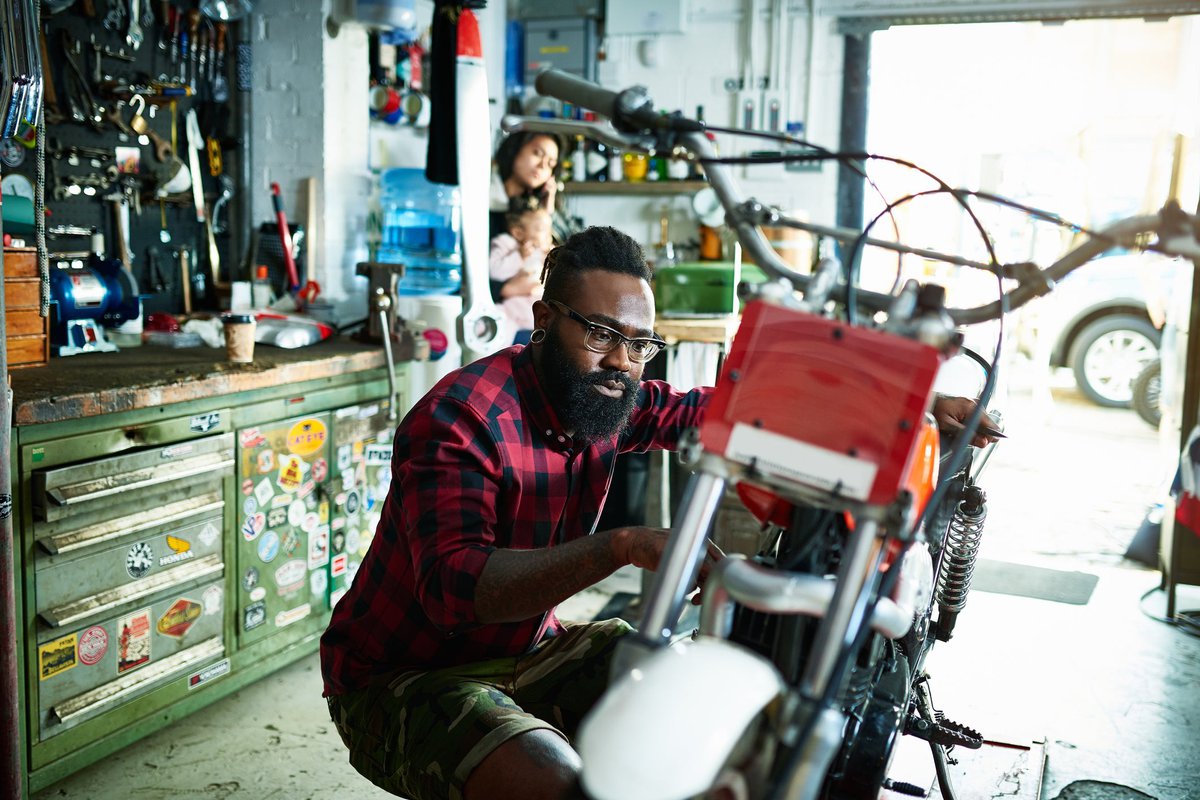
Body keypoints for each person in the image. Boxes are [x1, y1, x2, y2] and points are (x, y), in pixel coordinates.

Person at [321, 226, 996, 800]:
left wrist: (912, 411)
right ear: (545, 320)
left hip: (527, 650)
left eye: (639, 343)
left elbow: (730, 411)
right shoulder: (461, 420)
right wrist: (621, 546)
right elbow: (456, 591)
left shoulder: (605, 396)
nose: (621, 361)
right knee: (564, 787)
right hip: (399, 679)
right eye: (600, 333)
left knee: (688, 701)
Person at [490, 203, 553, 345]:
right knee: (499, 330)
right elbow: (494, 271)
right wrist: (519, 256)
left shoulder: (545, 252)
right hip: (510, 309)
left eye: (549, 229)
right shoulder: (506, 244)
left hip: (534, 309)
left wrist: (550, 258)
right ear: (518, 233)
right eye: (541, 229)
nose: (548, 234)